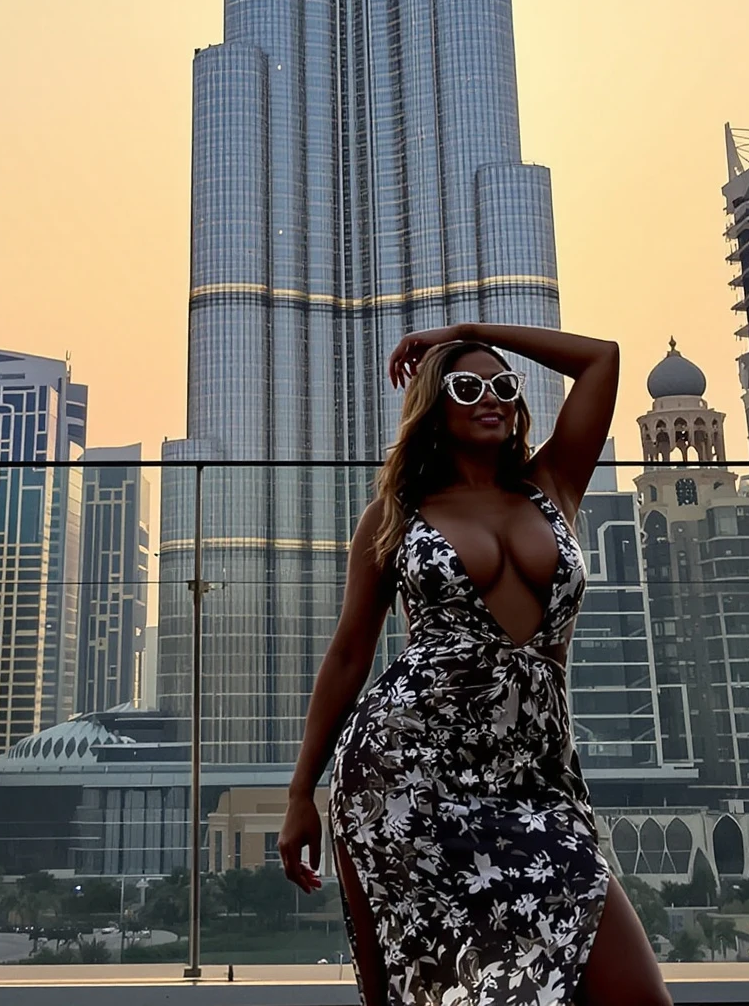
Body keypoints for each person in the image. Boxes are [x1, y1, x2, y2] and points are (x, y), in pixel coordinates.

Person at [278, 321, 670, 1006]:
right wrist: (297, 793)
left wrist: (466, 331)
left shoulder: (553, 485)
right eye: (466, 386)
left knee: (635, 993)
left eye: (503, 386)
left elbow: (602, 359)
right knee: (433, 990)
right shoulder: (395, 515)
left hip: (535, 779)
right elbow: (349, 653)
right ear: (434, 405)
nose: (489, 396)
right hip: (408, 772)